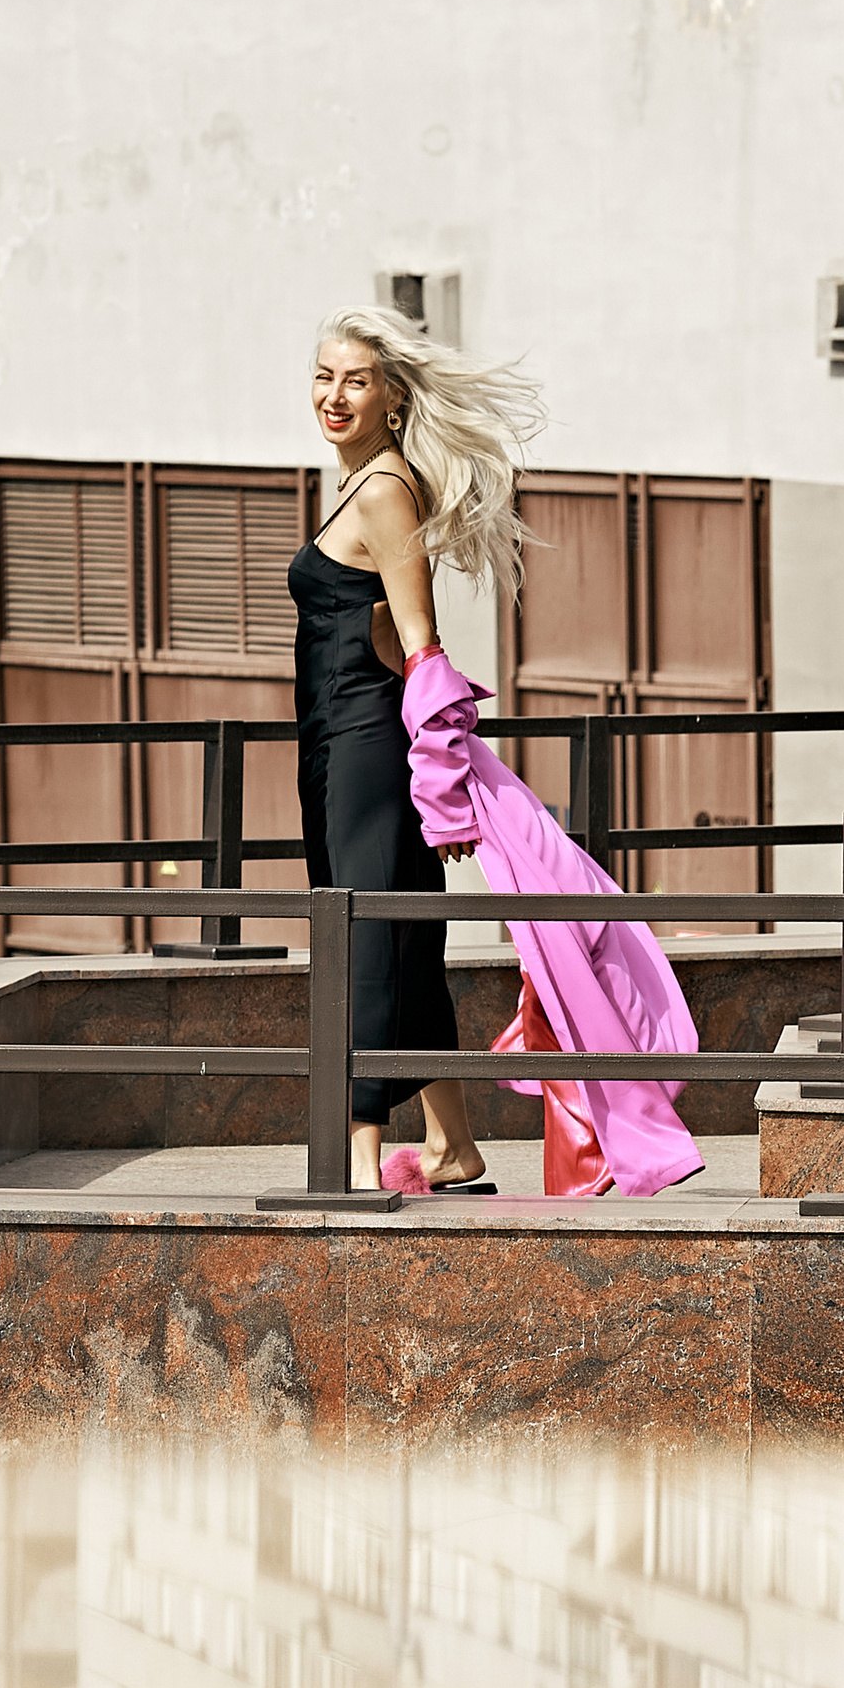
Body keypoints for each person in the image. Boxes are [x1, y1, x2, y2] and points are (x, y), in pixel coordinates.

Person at [291, 305, 534, 1195]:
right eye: (323, 376)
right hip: (332, 739)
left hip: (368, 746)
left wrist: (438, 784)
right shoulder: (358, 482)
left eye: (355, 380)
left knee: (359, 938)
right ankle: (454, 1148)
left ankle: (356, 1151)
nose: (334, 395)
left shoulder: (386, 489)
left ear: (393, 397)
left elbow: (421, 645)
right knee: (400, 945)